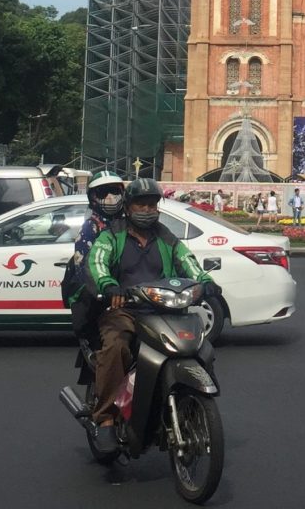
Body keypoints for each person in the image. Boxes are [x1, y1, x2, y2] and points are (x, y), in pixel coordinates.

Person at [86, 177, 218, 454]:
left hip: (166, 311)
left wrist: (205, 282)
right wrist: (109, 286)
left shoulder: (167, 237)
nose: (147, 209)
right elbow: (97, 262)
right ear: (129, 206)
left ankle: (190, 406)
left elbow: (189, 263)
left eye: (152, 204)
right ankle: (106, 419)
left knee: (201, 347)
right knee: (116, 346)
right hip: (125, 311)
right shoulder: (111, 235)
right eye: (140, 204)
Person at [67, 170, 126, 341]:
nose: (110, 197)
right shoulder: (91, 228)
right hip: (102, 296)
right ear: (93, 197)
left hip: (127, 292)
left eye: (114, 191)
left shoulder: (127, 223)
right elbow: (86, 271)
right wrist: (107, 287)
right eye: (103, 192)